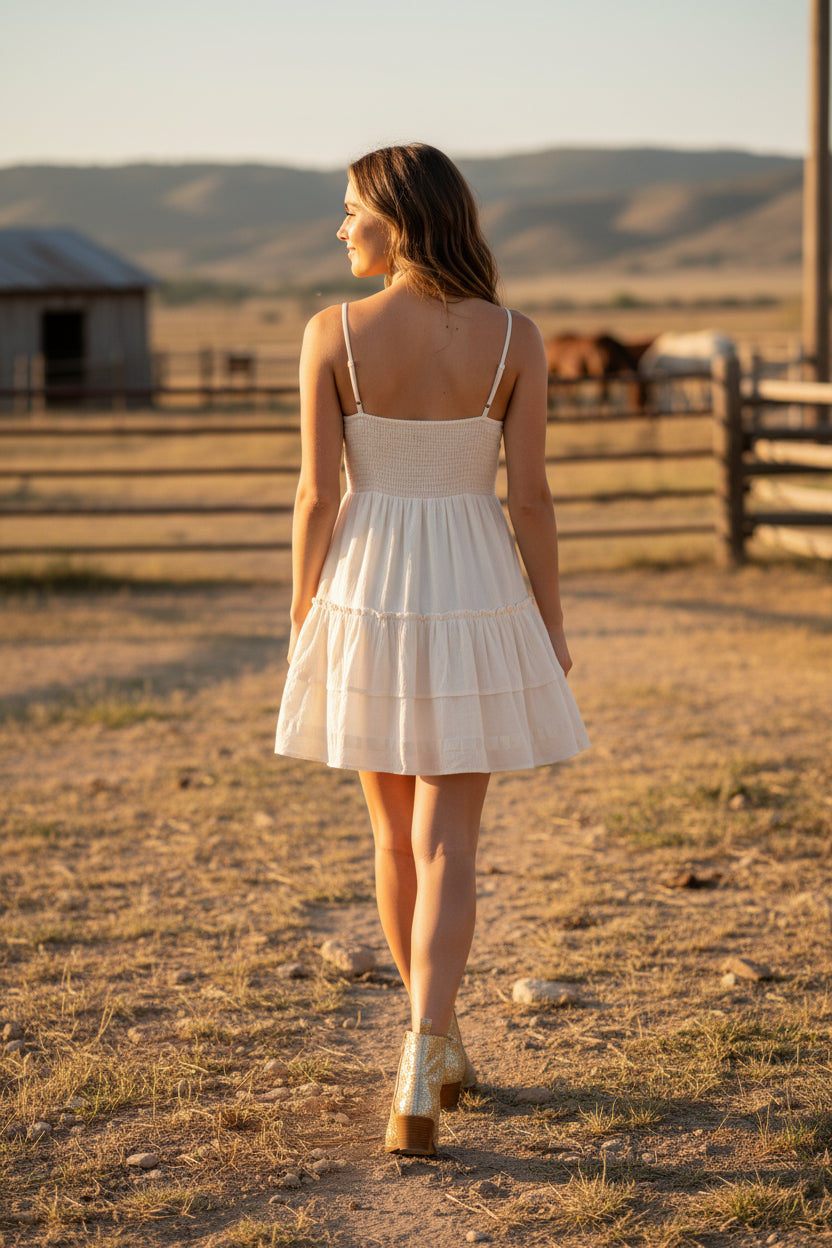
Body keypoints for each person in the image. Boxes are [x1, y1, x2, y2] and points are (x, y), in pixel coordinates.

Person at [275, 143, 589, 1157]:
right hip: (475, 586)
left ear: (399, 220)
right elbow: (529, 498)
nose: (341, 229)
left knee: (390, 834)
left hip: (367, 589)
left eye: (351, 211)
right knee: (450, 839)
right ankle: (428, 1044)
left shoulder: (334, 332)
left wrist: (300, 610)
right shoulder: (516, 338)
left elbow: (318, 495)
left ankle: (425, 1046)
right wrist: (547, 620)